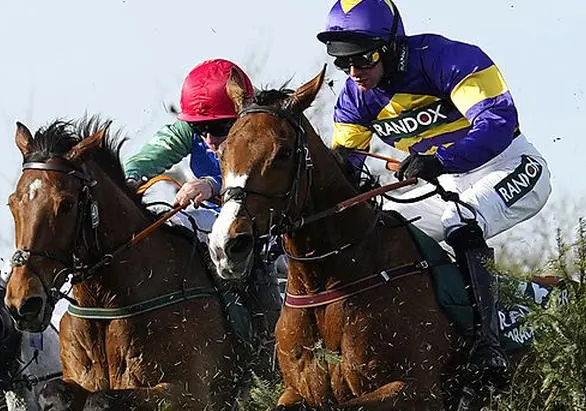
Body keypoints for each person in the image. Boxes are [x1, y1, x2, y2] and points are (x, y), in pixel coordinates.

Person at [317, 0, 553, 388]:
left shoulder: (448, 58)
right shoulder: (354, 99)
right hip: (444, 183)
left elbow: (497, 123)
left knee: (460, 220)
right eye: (344, 62)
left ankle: (489, 345)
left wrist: (441, 159)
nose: (355, 72)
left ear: (392, 46)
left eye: (364, 58)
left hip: (509, 165)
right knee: (384, 229)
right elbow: (346, 170)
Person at [124, 58, 281, 353]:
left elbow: (260, 180)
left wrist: (211, 184)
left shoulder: (261, 129)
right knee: (172, 225)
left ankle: (267, 345)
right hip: (217, 219)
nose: (209, 138)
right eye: (200, 128)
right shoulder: (193, 132)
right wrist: (130, 178)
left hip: (263, 225)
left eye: (220, 127)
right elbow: (148, 156)